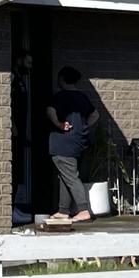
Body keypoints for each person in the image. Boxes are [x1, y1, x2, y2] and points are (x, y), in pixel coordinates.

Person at [46, 66, 99, 222]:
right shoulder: (82, 97)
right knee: (65, 176)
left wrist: (59, 124)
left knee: (70, 177)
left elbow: (50, 111)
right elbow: (95, 114)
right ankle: (63, 210)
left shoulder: (60, 96)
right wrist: (85, 126)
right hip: (79, 142)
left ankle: (83, 210)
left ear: (62, 79)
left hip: (63, 142)